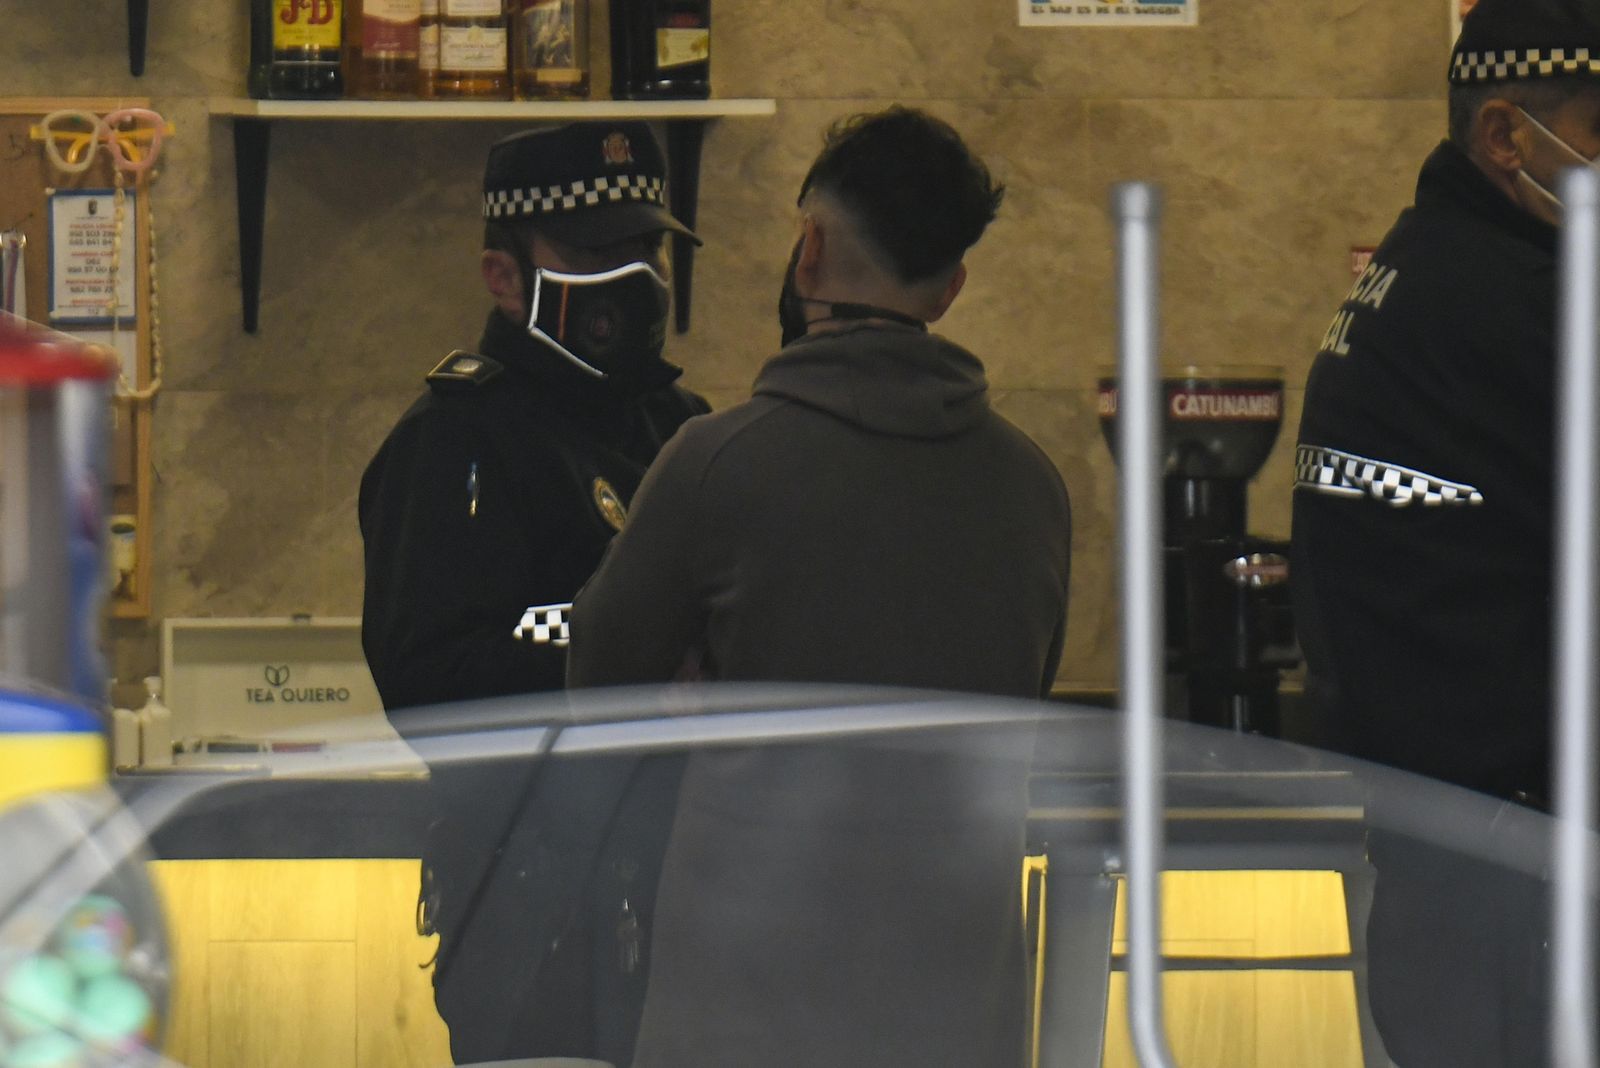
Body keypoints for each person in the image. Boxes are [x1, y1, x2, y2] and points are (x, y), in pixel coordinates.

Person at [568, 106, 1072, 1067]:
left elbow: (599, 690)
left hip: (747, 1011)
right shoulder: (1032, 487)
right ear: (952, 287)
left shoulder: (718, 465)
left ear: (808, 252)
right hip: (962, 1014)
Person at [358, 121, 708, 1066]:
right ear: (502, 277)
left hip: (684, 902)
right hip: (533, 906)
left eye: (646, 249)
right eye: (597, 252)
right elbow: (430, 682)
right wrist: (620, 655)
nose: (633, 277)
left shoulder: (685, 431)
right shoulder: (456, 443)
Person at [1289, 1, 1600, 1063]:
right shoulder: (1525, 305)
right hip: (1530, 878)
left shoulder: (1415, 273)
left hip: (1446, 857)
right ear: (1506, 135)